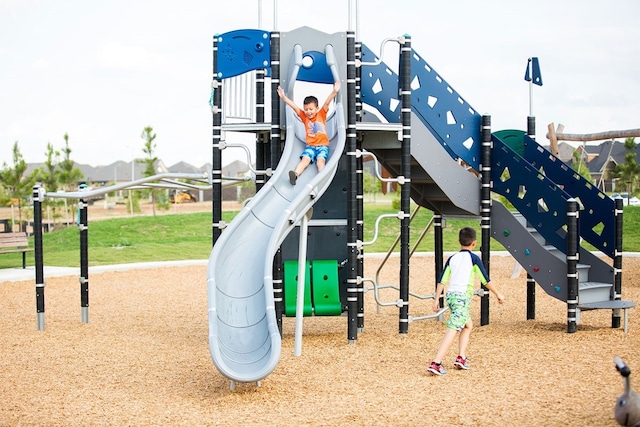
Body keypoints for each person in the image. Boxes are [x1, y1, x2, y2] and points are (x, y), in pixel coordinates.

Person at [427, 227, 505, 376]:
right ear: (474, 244)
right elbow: (485, 280)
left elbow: (442, 280)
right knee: (453, 328)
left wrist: (437, 299)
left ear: (459, 241)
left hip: (451, 297)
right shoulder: (474, 259)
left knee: (468, 325)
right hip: (462, 298)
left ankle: (461, 357)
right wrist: (498, 294)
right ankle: (436, 363)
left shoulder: (452, 258)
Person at [276, 80, 341, 185]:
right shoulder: (304, 116)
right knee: (305, 160)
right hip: (310, 146)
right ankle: (295, 175)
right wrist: (283, 97)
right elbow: (294, 106)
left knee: (320, 162)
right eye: (306, 109)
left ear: (317, 108)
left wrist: (334, 91)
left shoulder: (321, 114)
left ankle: (322, 178)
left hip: (322, 146)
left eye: (311, 109)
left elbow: (327, 102)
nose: (308, 112)